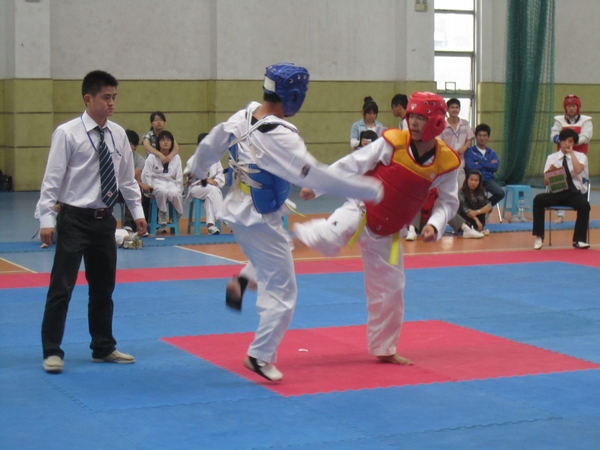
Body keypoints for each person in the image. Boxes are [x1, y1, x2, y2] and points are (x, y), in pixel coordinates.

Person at [191, 62, 382, 382]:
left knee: (273, 263)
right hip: (258, 218)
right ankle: (260, 355)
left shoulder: (244, 115)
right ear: (294, 96)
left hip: (240, 211)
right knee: (284, 290)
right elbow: (315, 174)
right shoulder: (280, 135)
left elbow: (212, 143)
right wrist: (368, 190)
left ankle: (244, 280)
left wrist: (195, 169)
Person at [294, 92, 460, 366]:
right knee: (329, 237)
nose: (414, 123)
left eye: (421, 118)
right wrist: (318, 185)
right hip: (361, 210)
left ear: (437, 123)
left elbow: (449, 202)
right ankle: (293, 240)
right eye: (412, 117)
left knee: (392, 289)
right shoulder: (392, 142)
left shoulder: (446, 163)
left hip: (389, 233)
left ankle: (385, 348)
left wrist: (434, 224)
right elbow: (353, 163)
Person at [38, 70, 146, 373]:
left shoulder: (118, 134)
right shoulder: (67, 133)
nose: (112, 103)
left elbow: (127, 180)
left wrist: (138, 213)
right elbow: (51, 180)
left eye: (114, 97)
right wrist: (46, 218)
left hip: (104, 220)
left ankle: (103, 346)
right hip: (74, 218)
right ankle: (52, 350)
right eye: (105, 97)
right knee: (62, 287)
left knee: (103, 288)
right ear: (88, 99)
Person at [532, 128, 590, 250]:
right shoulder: (551, 158)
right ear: (560, 142)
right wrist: (550, 173)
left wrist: (572, 153)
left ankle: (579, 240)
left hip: (573, 193)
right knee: (538, 200)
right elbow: (546, 182)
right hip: (556, 192)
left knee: (585, 205)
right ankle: (539, 237)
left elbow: (578, 170)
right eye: (565, 141)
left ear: (574, 143)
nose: (567, 144)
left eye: (571, 141)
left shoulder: (580, 156)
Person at [549, 94, 593, 224]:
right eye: (568, 106)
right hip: (562, 156)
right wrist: (561, 141)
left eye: (573, 105)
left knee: (582, 183)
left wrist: (571, 142)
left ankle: (583, 214)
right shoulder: (559, 120)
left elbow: (586, 136)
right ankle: (560, 214)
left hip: (579, 157)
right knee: (558, 181)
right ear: (565, 108)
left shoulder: (586, 121)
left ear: (578, 107)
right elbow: (553, 135)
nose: (571, 108)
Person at [141, 130, 184, 226]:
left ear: (172, 143)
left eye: (168, 140)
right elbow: (146, 173)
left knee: (176, 193)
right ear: (158, 142)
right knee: (162, 191)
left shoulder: (176, 157)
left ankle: (178, 213)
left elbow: (179, 175)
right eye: (163, 140)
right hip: (155, 181)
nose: (165, 142)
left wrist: (180, 189)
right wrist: (149, 188)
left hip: (170, 182)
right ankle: (162, 212)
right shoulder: (152, 157)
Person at [185, 133, 225, 235]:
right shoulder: (193, 160)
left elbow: (220, 178)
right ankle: (223, 217)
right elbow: (189, 178)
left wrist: (215, 182)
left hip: (210, 189)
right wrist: (206, 180)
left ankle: (211, 225)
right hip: (196, 189)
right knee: (213, 190)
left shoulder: (216, 160)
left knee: (211, 194)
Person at [464, 123, 505, 207]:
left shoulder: (492, 153)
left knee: (500, 193)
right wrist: (488, 164)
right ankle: (479, 208)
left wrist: (479, 162)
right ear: (476, 136)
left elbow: (495, 167)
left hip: (487, 180)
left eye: (484, 135)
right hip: (474, 180)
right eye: (480, 135)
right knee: (469, 197)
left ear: (488, 137)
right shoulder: (470, 151)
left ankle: (483, 207)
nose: (482, 138)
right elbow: (470, 167)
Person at [120, 129, 152, 231]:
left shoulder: (140, 160)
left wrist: (139, 184)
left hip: (127, 187)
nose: (127, 147)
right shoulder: (115, 156)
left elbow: (130, 177)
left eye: (130, 144)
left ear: (135, 146)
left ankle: (129, 222)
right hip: (114, 188)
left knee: (134, 188)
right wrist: (141, 184)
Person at [438, 98, 474, 187]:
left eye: (457, 107)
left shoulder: (465, 123)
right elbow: (439, 142)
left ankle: (461, 194)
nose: (455, 110)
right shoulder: (442, 125)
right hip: (447, 158)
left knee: (461, 180)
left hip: (460, 158)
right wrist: (450, 152)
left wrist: (464, 148)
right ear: (447, 110)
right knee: (449, 183)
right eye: (452, 107)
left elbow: (470, 138)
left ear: (459, 109)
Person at [447, 169, 490, 238]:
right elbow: (466, 210)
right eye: (471, 180)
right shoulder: (461, 192)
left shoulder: (481, 192)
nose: (473, 182)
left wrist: (477, 212)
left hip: (479, 224)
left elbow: (489, 206)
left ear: (479, 182)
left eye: (476, 180)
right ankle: (466, 229)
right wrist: (477, 220)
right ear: (467, 180)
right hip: (466, 221)